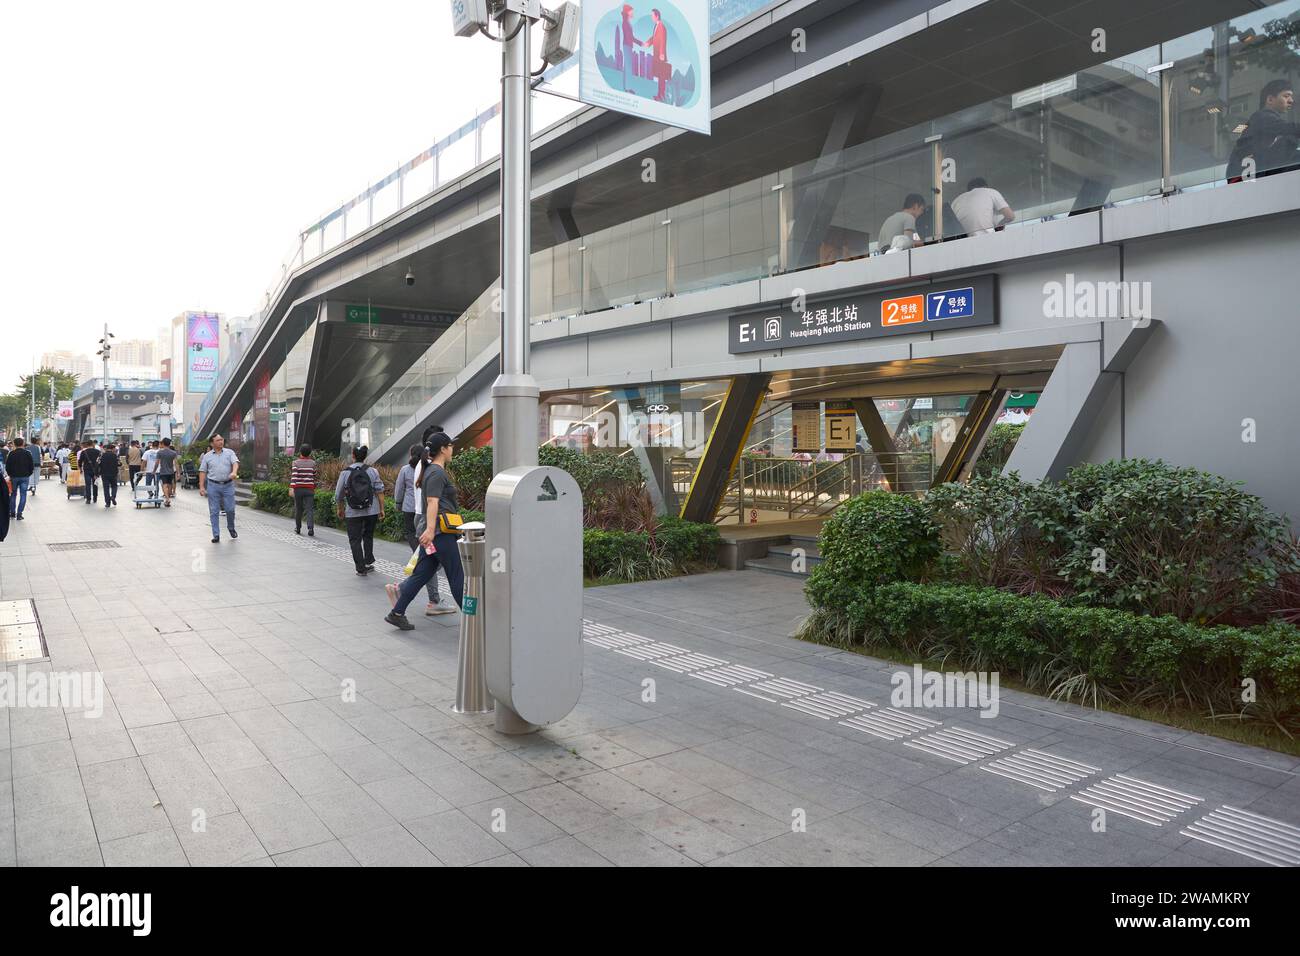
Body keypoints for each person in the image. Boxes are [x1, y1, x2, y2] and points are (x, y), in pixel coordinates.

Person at [385, 432, 464, 631]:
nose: (452, 449)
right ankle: (477, 622)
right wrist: (430, 531)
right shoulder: (436, 472)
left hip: (434, 534)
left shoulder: (429, 470)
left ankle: (397, 613)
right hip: (441, 533)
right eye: (450, 446)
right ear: (444, 449)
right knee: (457, 576)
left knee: (421, 575)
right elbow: (432, 502)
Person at [393, 443, 450, 615]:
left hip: (412, 513)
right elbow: (432, 501)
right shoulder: (431, 470)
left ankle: (403, 599)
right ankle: (431, 599)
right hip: (424, 519)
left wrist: (398, 503)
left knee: (427, 560)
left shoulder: (412, 468)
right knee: (433, 560)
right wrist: (431, 528)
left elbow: (399, 488)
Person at [1228, 80, 1299, 180]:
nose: (1291, 100)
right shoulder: (1262, 117)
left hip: (1245, 179)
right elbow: (1291, 129)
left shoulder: (1259, 122)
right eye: (1286, 96)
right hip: (1245, 178)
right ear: (1270, 99)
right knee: (1290, 141)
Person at [335, 445, 385, 576]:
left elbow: (338, 495)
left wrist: (340, 509)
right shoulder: (373, 471)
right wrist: (381, 509)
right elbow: (379, 491)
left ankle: (361, 569)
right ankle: (368, 561)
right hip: (371, 510)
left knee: (355, 539)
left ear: (353, 455)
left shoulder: (345, 472)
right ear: (365, 456)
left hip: (352, 511)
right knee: (368, 536)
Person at [198, 435, 240, 543]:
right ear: (212, 443)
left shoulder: (229, 452)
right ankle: (216, 535)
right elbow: (202, 471)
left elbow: (235, 463)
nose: (221, 441)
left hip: (228, 485)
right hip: (213, 486)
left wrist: (234, 472)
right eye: (218, 440)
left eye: (222, 439)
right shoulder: (207, 456)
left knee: (230, 509)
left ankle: (231, 528)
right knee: (214, 511)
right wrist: (202, 487)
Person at [290, 444, 317, 535]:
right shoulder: (313, 463)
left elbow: (294, 477)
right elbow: (314, 476)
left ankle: (298, 528)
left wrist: (292, 488)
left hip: (298, 489)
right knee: (309, 509)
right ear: (309, 453)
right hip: (309, 489)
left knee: (299, 509)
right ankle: (310, 529)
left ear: (300, 452)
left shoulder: (295, 463)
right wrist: (314, 486)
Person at [643, 8, 669, 103]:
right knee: (659, 76)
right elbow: (654, 38)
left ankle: (661, 96)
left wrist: (662, 54)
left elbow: (662, 40)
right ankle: (659, 95)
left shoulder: (661, 26)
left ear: (657, 16)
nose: (651, 18)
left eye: (652, 16)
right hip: (657, 55)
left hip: (660, 56)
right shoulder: (656, 26)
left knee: (661, 77)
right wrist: (648, 43)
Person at [6, 437, 35, 520]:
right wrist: (28, 474)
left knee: (13, 494)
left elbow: (8, 466)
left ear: (14, 444)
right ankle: (19, 514)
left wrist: (10, 474)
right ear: (23, 443)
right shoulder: (28, 453)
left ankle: (12, 513)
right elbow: (31, 466)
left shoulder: (11, 453)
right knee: (23, 495)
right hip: (25, 477)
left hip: (14, 477)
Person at [618, 4, 641, 92]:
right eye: (631, 11)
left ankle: (625, 87)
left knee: (626, 67)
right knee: (628, 67)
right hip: (627, 45)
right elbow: (630, 37)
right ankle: (627, 88)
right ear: (628, 12)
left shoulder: (627, 22)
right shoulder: (626, 23)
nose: (633, 13)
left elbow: (630, 37)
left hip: (627, 45)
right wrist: (640, 43)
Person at [154, 438, 179, 507]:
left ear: (163, 443)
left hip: (163, 472)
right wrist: (178, 472)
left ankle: (167, 499)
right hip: (171, 472)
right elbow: (176, 463)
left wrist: (154, 470)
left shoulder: (159, 452)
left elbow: (157, 462)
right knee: (170, 485)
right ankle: (168, 497)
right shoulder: (173, 453)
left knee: (164, 485)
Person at [77, 440, 100, 505]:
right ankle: (95, 497)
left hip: (87, 470)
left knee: (88, 484)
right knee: (95, 484)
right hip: (95, 470)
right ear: (92, 444)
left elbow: (80, 461)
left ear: (87, 445)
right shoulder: (98, 452)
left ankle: (88, 499)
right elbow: (100, 461)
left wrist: (80, 468)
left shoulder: (84, 452)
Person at [99, 442, 120, 508]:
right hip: (113, 474)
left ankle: (107, 503)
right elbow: (119, 464)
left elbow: (98, 464)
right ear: (112, 449)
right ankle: (113, 496)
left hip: (104, 474)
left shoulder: (102, 455)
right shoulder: (115, 455)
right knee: (114, 486)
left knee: (106, 488)